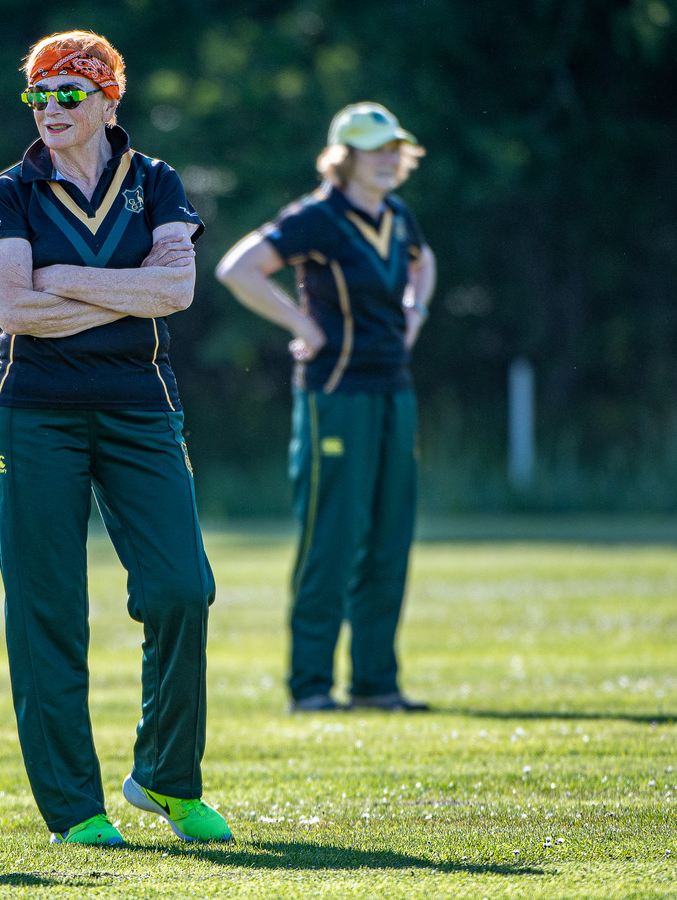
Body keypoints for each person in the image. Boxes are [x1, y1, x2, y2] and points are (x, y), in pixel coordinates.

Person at [0, 30, 232, 846]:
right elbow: (14, 309)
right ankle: (74, 808)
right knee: (49, 608)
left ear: (109, 100)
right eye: (38, 94)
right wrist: (127, 292)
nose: (50, 107)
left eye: (69, 93)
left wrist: (66, 280)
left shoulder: (155, 181)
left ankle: (166, 778)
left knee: (181, 589)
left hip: (140, 405)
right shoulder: (10, 191)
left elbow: (177, 289)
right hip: (33, 411)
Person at [216, 102, 437, 715]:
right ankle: (310, 686)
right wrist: (301, 324)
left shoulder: (397, 215)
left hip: (394, 391)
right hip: (335, 395)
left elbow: (423, 264)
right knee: (332, 539)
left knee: (389, 539)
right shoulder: (316, 217)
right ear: (344, 158)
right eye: (374, 149)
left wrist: (415, 313)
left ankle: (375, 684)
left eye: (394, 148)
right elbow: (238, 269)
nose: (388, 159)